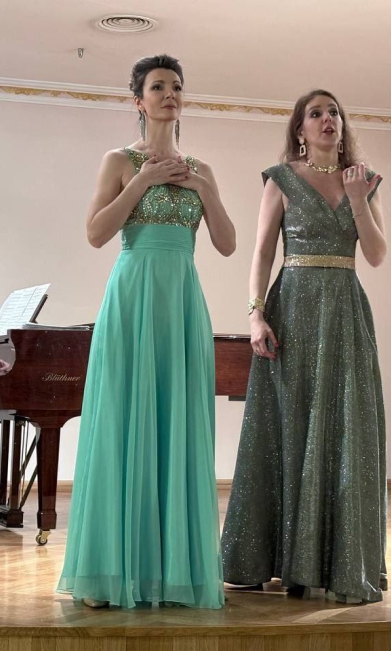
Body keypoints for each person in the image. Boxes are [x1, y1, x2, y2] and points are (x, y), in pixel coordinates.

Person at [57, 54, 235, 610]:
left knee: (178, 423)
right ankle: (107, 572)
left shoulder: (202, 168)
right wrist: (142, 181)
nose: (169, 93)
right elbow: (96, 233)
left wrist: (204, 188)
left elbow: (227, 243)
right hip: (133, 299)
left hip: (182, 302)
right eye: (157, 86)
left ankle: (172, 572)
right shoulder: (119, 160)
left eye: (176, 86)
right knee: (121, 420)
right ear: (139, 100)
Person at [221, 89, 387, 604]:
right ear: (300, 129)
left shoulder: (365, 181)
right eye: (316, 113)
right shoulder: (281, 179)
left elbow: (376, 255)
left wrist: (358, 199)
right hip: (291, 311)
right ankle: (263, 559)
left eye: (333, 112)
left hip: (345, 314)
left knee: (344, 429)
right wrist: (255, 314)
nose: (327, 119)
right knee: (285, 429)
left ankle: (336, 564)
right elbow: (262, 252)